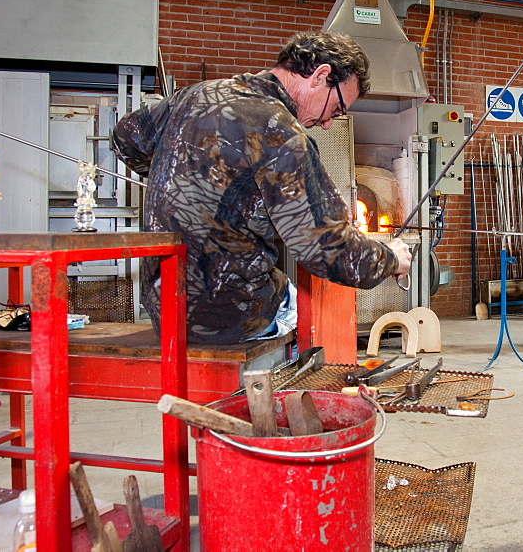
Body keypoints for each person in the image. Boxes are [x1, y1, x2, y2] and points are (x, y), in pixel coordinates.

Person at [112, 31, 412, 345]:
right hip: (230, 316)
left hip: (164, 306)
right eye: (335, 108)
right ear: (321, 76)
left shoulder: (196, 95)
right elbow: (329, 252)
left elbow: (124, 137)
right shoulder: (281, 132)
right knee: (324, 326)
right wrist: (390, 257)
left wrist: (183, 180)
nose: (327, 123)